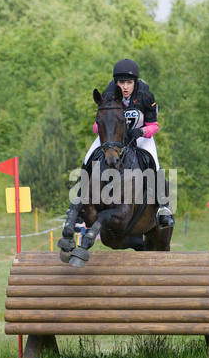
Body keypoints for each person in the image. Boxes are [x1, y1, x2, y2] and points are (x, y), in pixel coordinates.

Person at [60, 59, 174, 249]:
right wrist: (105, 131)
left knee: (153, 162)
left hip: (141, 135)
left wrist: (141, 132)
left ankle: (163, 208)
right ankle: (80, 196)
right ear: (116, 82)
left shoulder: (145, 94)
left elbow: (154, 125)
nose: (125, 87)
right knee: (88, 158)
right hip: (113, 137)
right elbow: (99, 122)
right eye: (121, 82)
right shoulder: (109, 92)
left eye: (129, 83)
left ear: (135, 82)